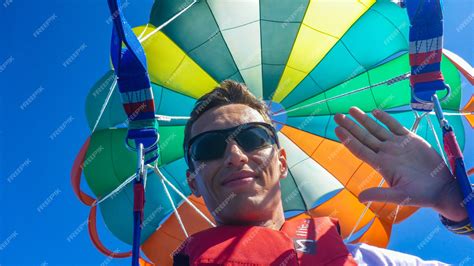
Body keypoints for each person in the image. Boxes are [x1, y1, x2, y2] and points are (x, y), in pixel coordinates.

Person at [173, 80, 471, 265]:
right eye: (210, 147)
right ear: (192, 181)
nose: (235, 156)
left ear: (282, 162)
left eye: (252, 138)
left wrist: (457, 204)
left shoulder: (367, 262)